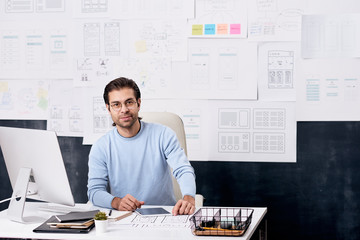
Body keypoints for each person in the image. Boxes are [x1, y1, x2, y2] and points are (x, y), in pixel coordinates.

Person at [87, 77, 196, 215]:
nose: (124, 110)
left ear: (138, 103)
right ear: (108, 109)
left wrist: (189, 196)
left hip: (164, 215)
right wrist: (117, 202)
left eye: (129, 102)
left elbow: (183, 169)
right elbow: (95, 191)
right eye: (116, 104)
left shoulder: (163, 135)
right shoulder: (101, 147)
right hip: (123, 217)